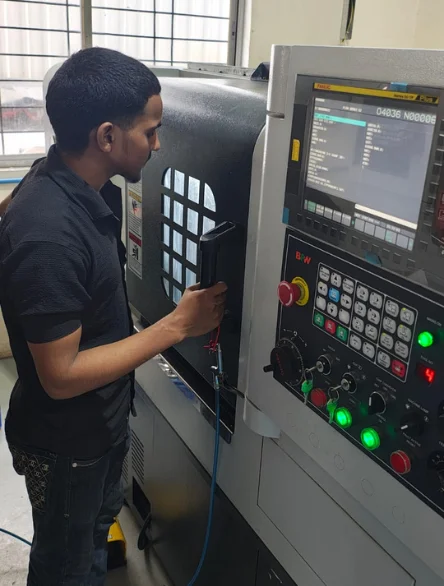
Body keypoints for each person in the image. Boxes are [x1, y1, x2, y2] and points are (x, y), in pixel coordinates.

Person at [0, 47, 226, 586]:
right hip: (66, 448)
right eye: (150, 132)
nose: (157, 144)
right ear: (106, 137)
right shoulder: (50, 233)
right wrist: (177, 325)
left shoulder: (64, 181)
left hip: (100, 430)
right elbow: (61, 376)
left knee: (91, 540)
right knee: (66, 565)